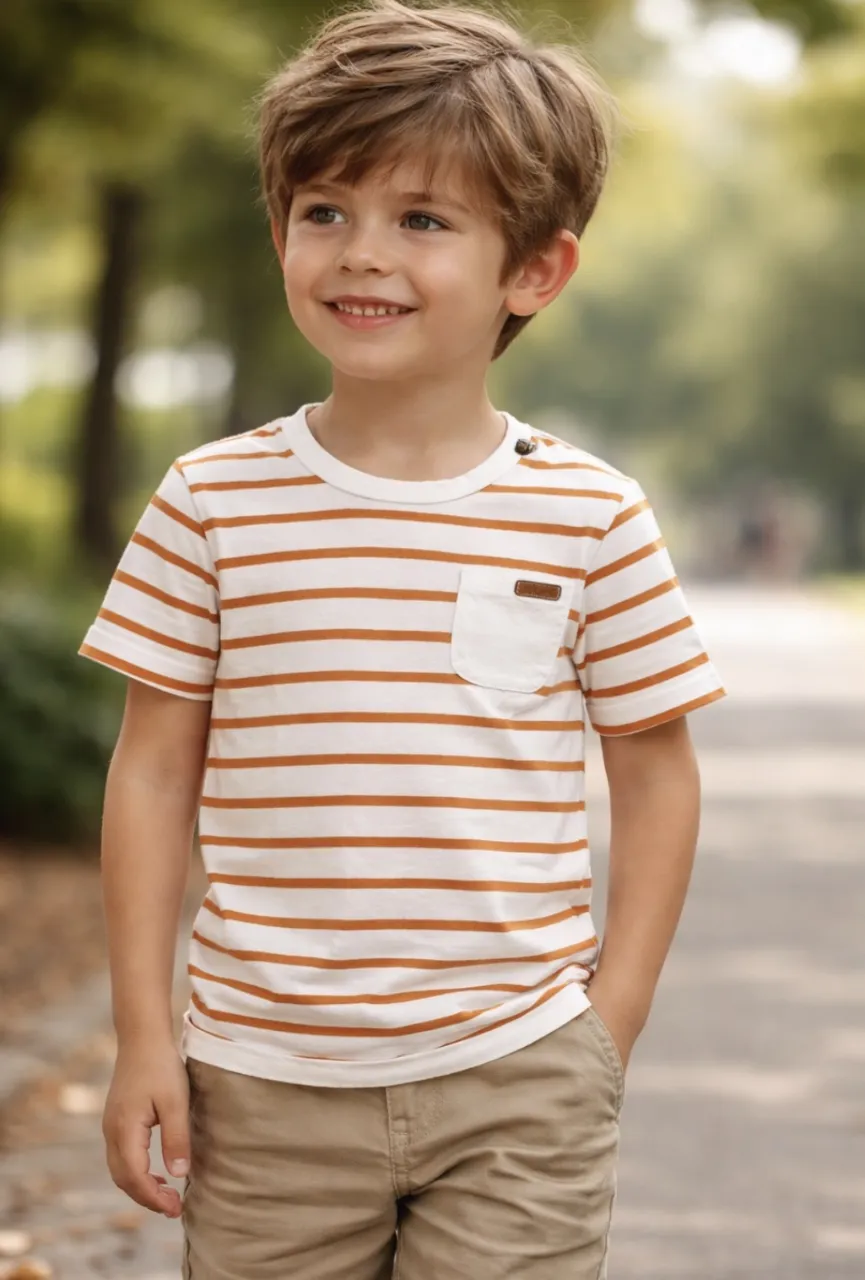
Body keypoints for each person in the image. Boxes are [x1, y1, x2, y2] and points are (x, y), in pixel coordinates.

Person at [80, 1, 726, 1275]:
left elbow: (656, 770)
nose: (360, 253)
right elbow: (152, 770)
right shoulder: (212, 500)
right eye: (325, 210)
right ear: (279, 233)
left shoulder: (589, 513)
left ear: (533, 269)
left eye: (422, 220)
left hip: (516, 1073)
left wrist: (610, 1020)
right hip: (260, 1079)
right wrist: (143, 1034)